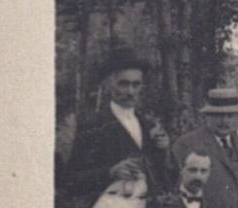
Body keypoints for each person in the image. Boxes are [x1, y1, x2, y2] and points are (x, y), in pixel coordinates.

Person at [62, 48, 173, 199]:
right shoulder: (93, 125)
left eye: (136, 85)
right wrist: (110, 172)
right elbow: (70, 180)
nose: (130, 91)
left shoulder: (149, 125)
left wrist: (163, 151)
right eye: (123, 84)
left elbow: (165, 179)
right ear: (108, 85)